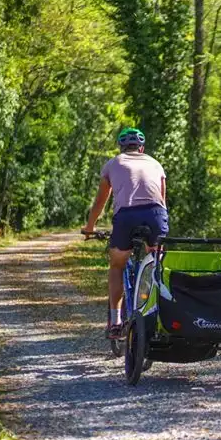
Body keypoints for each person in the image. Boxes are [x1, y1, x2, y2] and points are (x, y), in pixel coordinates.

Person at [82, 127, 169, 337]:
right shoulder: (155, 164)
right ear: (142, 148)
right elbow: (162, 200)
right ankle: (157, 312)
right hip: (155, 215)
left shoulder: (113, 163)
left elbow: (100, 202)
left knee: (117, 264)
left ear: (121, 147)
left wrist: (90, 227)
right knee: (157, 260)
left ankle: (116, 321)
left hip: (126, 216)